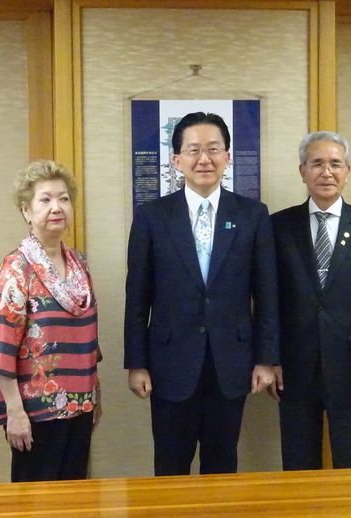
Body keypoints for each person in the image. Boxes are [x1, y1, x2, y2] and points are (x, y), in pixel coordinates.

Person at [124, 112, 279, 476]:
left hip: (232, 362)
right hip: (168, 364)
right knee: (170, 466)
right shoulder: (152, 216)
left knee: (222, 466)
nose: (204, 159)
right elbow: (137, 295)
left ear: (227, 157)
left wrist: (266, 359)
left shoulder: (253, 215)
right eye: (193, 150)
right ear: (177, 161)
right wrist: (137, 363)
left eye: (213, 149)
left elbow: (267, 294)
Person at [271, 131, 351, 470]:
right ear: (302, 171)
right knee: (298, 465)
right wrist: (270, 358)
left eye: (335, 164)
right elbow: (268, 300)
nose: (327, 172)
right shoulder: (277, 227)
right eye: (317, 164)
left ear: (347, 171)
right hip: (294, 366)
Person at [0, 159, 102, 482]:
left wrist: (95, 395)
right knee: (35, 504)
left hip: (80, 406)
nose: (57, 207)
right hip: (34, 413)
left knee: (73, 500)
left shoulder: (79, 263)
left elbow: (89, 338)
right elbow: (1, 349)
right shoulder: (14, 270)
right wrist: (15, 412)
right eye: (45, 199)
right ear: (26, 210)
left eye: (64, 198)